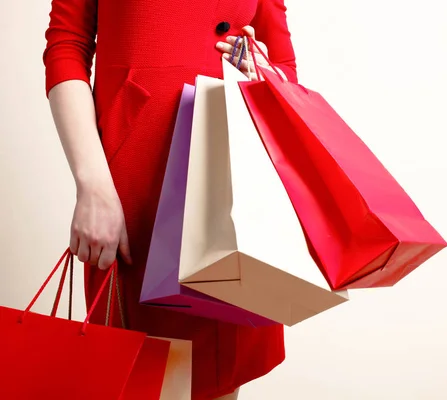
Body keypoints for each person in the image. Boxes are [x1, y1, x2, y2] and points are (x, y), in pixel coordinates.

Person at [43, 1, 298, 399]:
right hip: (134, 185)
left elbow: (282, 64)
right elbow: (67, 44)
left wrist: (258, 71)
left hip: (225, 186)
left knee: (215, 379)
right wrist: (92, 183)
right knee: (136, 375)